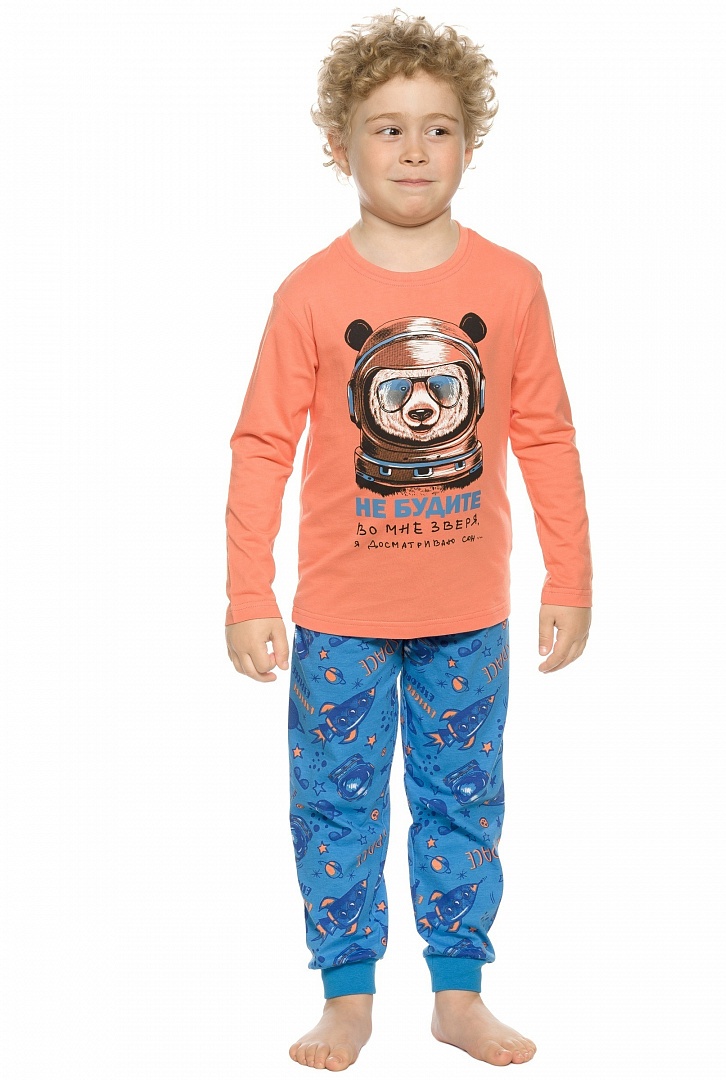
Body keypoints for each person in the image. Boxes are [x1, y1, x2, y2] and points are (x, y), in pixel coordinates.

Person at [224, 9, 593, 1070]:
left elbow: (546, 434)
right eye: (388, 128)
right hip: (339, 612)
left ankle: (457, 991)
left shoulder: (511, 286)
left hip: (468, 611)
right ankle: (346, 995)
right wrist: (248, 590)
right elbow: (261, 444)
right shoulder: (310, 293)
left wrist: (569, 574)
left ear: (471, 142)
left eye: (438, 128)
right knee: (333, 807)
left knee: (463, 805)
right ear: (338, 146)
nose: (415, 150)